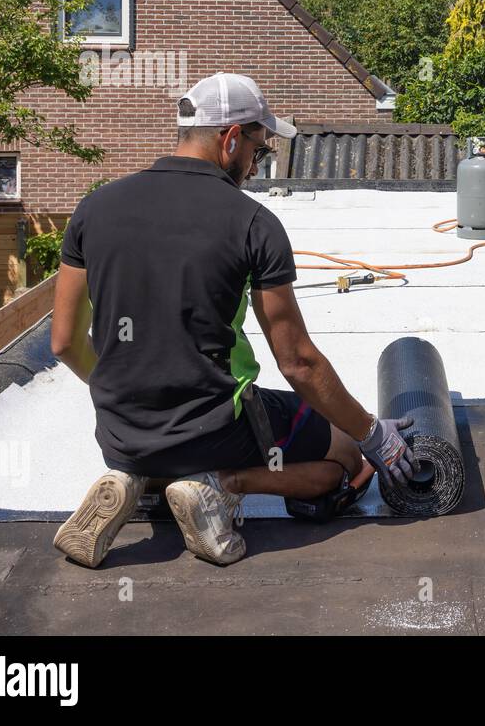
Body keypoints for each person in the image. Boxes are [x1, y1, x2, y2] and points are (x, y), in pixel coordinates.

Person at [50, 73, 414, 568]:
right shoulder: (253, 224)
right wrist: (375, 435)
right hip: (213, 429)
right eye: (259, 150)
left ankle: (132, 480)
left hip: (120, 432)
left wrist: (125, 391)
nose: (255, 165)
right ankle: (219, 486)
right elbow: (299, 363)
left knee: (157, 449)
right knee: (345, 462)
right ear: (230, 139)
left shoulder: (93, 208)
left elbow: (65, 342)